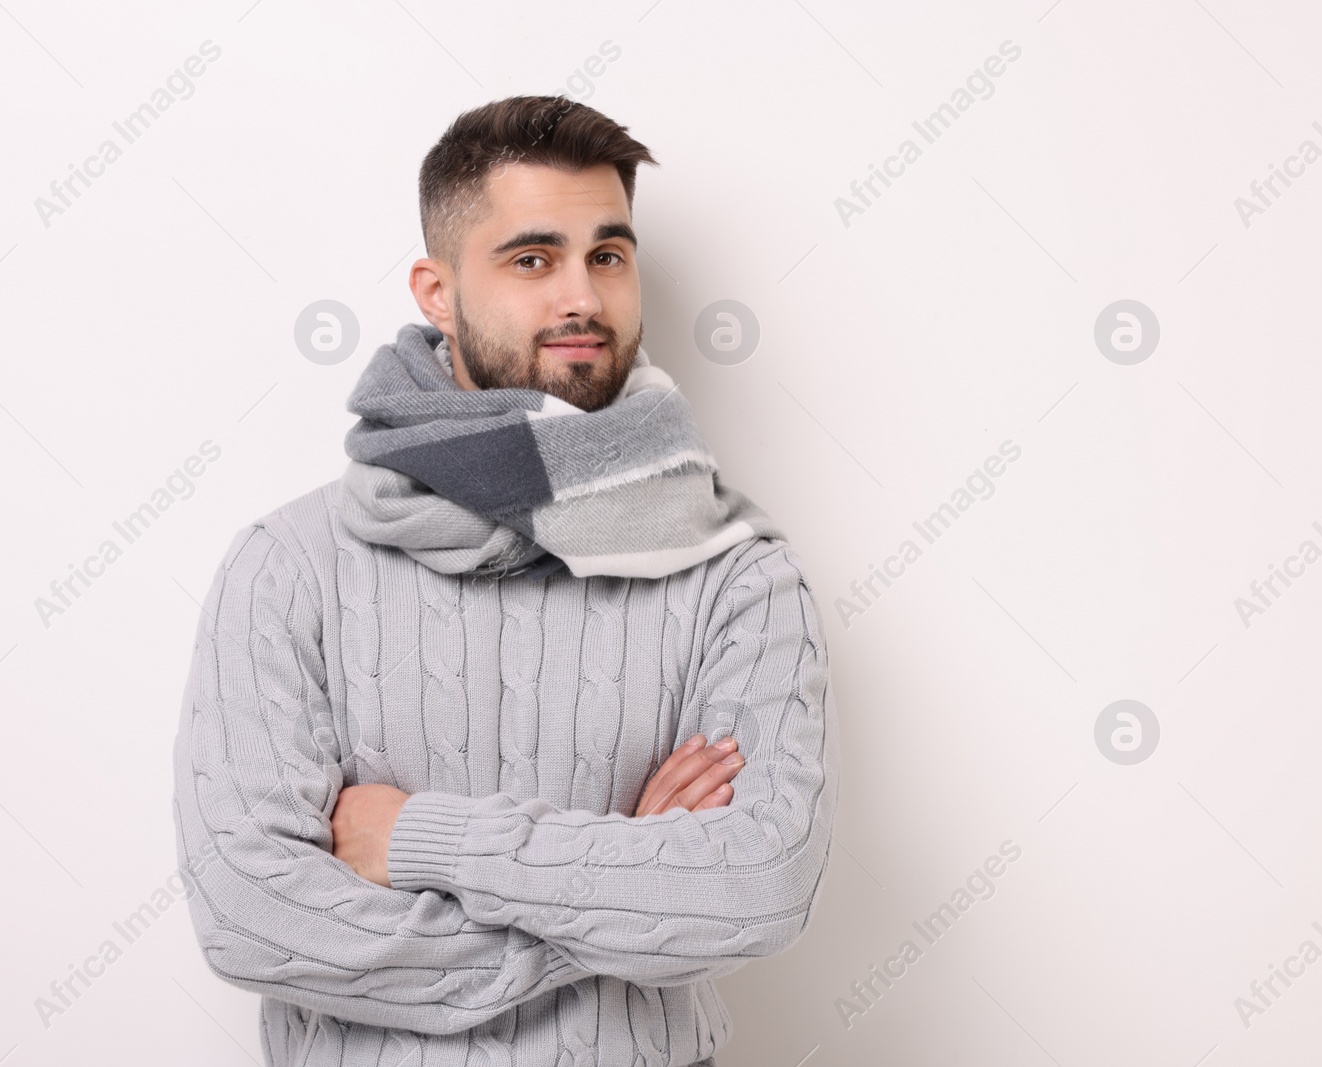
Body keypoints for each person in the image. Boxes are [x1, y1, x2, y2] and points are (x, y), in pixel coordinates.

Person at [171, 94, 838, 1067]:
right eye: (532, 259)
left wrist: (418, 841)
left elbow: (762, 882)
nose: (582, 296)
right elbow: (251, 914)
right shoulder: (290, 563)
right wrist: (619, 898)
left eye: (607, 255)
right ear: (435, 291)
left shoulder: (732, 569)